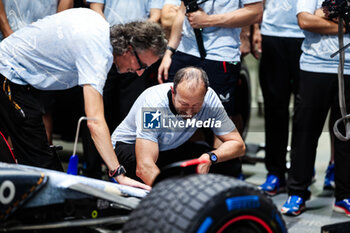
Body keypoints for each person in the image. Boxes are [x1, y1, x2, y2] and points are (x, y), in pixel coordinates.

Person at [0, 8, 167, 190]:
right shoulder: (97, 53)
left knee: (36, 153)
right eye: (141, 65)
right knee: (41, 164)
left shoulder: (99, 26)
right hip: (9, 72)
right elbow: (94, 121)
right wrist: (118, 173)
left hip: (17, 73)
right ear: (128, 49)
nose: (140, 73)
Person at [111, 67, 246, 186]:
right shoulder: (154, 106)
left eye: (195, 106)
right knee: (144, 170)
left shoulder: (210, 99)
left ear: (204, 96)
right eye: (184, 104)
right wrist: (173, 198)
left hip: (167, 148)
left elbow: (238, 145)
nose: (189, 112)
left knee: (229, 164)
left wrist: (210, 157)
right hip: (128, 147)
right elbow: (144, 167)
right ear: (173, 92)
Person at [281, 0, 350, 216]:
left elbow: (314, 18)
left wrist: (323, 14)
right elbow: (304, 20)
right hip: (314, 65)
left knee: (346, 135)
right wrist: (346, 24)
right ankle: (297, 193)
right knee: (305, 133)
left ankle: (345, 195)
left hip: (348, 69)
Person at [82, 0, 163, 178]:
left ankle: (126, 170)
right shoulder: (96, 51)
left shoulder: (139, 64)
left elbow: (155, 15)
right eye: (143, 68)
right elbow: (96, 7)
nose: (143, 73)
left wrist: (139, 42)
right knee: (95, 113)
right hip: (112, 48)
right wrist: (111, 41)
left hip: (137, 51)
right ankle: (92, 172)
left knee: (130, 116)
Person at [0, 0, 74, 145]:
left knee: (43, 109)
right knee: (5, 111)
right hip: (7, 42)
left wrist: (54, 35)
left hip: (43, 46)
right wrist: (7, 31)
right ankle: (9, 164)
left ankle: (42, 162)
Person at [252, 0, 304, 196]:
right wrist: (255, 28)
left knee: (305, 110)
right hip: (272, 33)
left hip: (307, 34)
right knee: (275, 108)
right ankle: (275, 173)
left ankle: (302, 170)